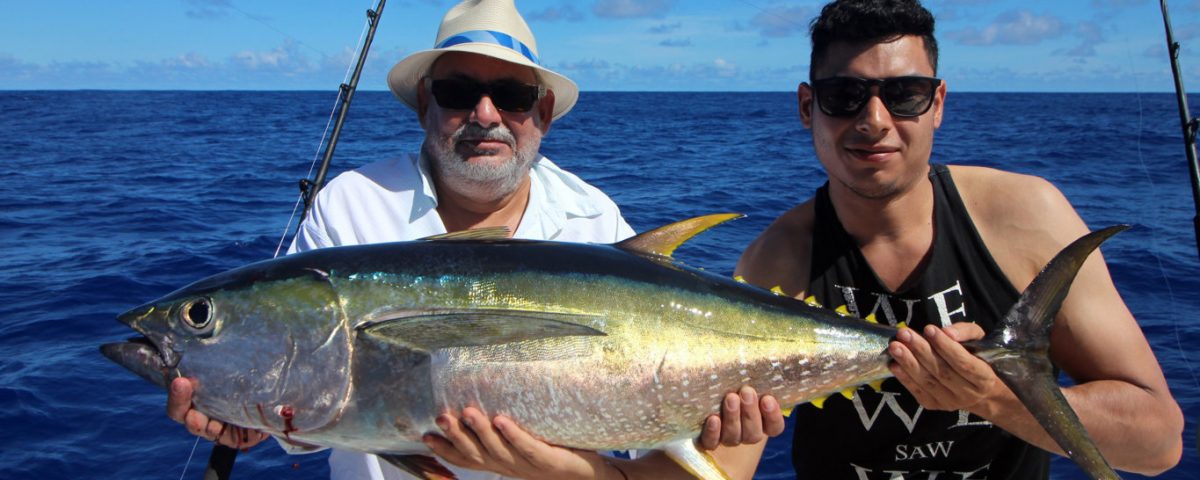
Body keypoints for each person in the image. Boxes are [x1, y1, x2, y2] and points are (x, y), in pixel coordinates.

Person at [164, 1, 776, 479]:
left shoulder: (590, 216)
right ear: (427, 102)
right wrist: (250, 420)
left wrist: (720, 422)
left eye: (510, 96)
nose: (485, 114)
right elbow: (313, 385)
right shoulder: (354, 206)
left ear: (541, 113)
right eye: (460, 93)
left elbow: (645, 405)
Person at [732, 0, 1184, 478]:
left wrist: (991, 396)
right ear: (808, 107)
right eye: (845, 94)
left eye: (905, 94)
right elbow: (727, 465)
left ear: (938, 104)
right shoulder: (775, 262)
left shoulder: (1026, 217)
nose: (875, 120)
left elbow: (1157, 444)